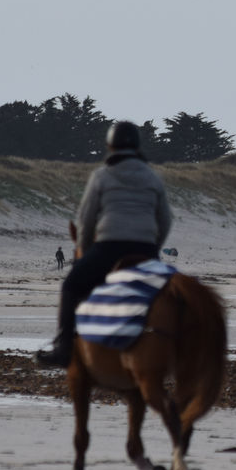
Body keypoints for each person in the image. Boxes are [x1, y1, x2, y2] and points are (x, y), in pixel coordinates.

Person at [36, 121, 173, 367]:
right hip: (146, 249)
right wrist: (153, 249)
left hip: (109, 247)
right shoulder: (153, 177)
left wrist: (86, 252)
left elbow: (86, 221)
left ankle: (64, 348)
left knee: (71, 285)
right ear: (138, 147)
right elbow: (165, 220)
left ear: (110, 145)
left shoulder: (102, 176)